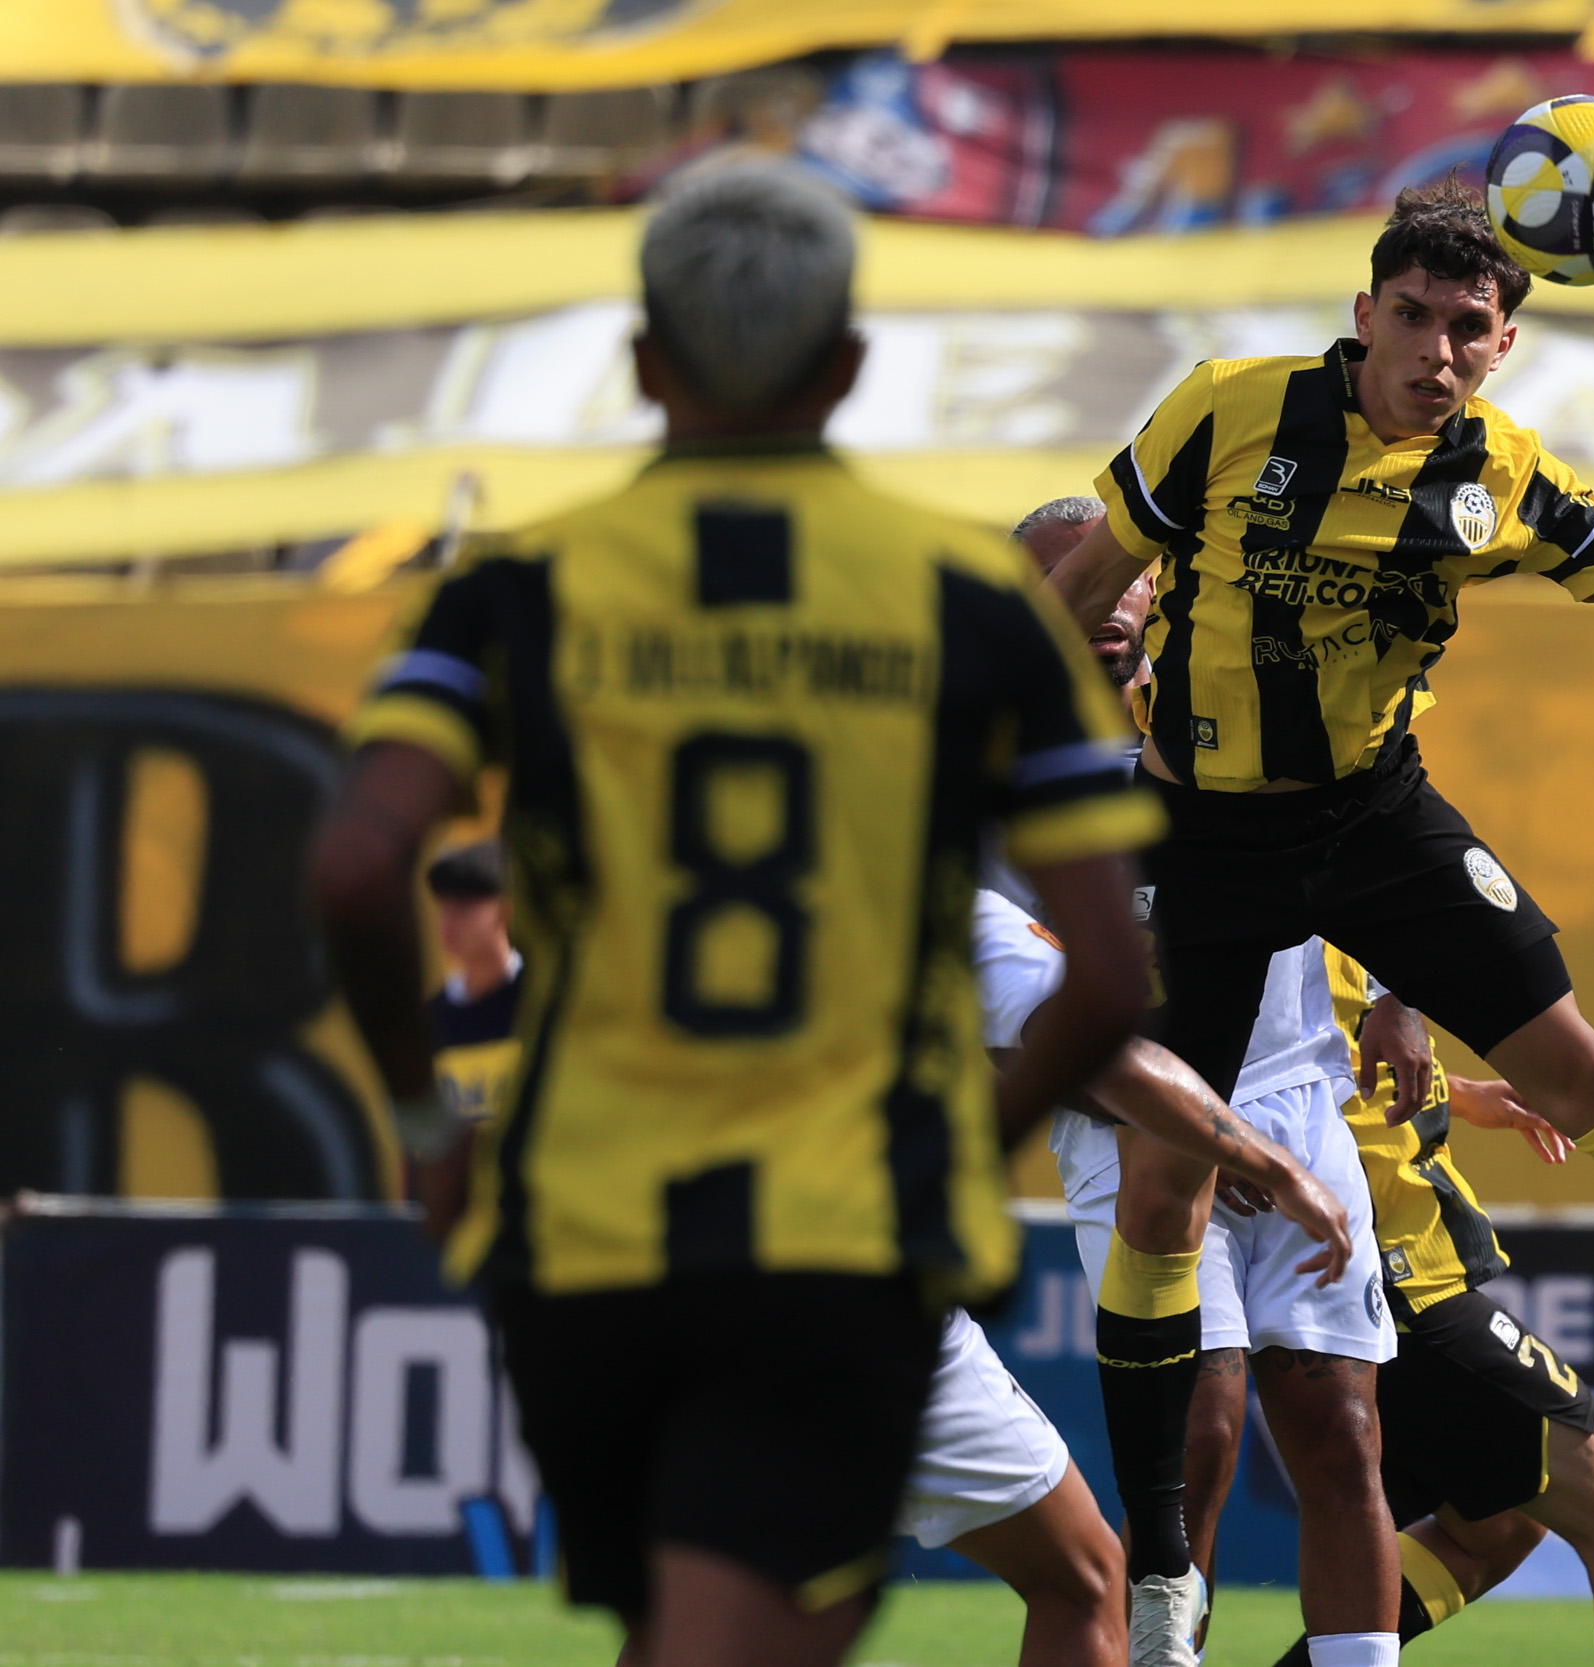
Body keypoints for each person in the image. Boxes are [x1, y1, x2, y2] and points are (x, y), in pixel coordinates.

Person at [311, 163, 1161, 1667]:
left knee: (702, 1623)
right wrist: (957, 1150)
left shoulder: (518, 588)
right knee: (822, 1619)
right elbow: (1106, 976)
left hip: (583, 1225)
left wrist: (431, 1126)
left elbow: (355, 867)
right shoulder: (968, 602)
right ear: (849, 365)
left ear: (644, 361)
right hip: (835, 1227)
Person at [1046, 178, 1594, 1480]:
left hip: (1374, 817)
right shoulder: (1228, 407)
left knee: (1592, 1080)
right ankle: (1156, 1567)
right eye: (1412, 315)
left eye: (1467, 326)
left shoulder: (1500, 473)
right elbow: (1084, 582)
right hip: (1206, 832)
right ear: (1364, 314)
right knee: (1160, 1183)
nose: (1436, 349)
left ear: (1504, 342)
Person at [1011, 496, 1402, 1667]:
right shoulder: (1000, 766)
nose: (1099, 596)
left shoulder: (1238, 693)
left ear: (1154, 580)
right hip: (1127, 1116)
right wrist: (1191, 1131)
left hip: (1294, 1092)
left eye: (1116, 569)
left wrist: (1399, 992)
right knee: (1200, 1428)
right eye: (1063, 577)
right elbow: (1014, 1006)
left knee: (1342, 1433)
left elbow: (1373, 826)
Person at [895, 880, 1355, 1667]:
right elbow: (1106, 1048)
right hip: (866, 1302)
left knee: (721, 1582)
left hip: (684, 1288)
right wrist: (1266, 1161)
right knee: (1086, 1578)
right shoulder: (923, 883)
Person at [1250, 968, 1594, 1667]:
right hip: (1403, 1285)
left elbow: (1333, 1057)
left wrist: (1457, 1093)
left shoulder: (1327, 935)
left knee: (1498, 1525)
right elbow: (1288, 1066)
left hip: (1381, 1287)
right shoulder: (1305, 928)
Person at [422, 841, 525, 1128]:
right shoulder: (430, 1022)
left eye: (464, 907)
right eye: (443, 906)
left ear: (505, 909)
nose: (449, 922)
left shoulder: (540, 1003)